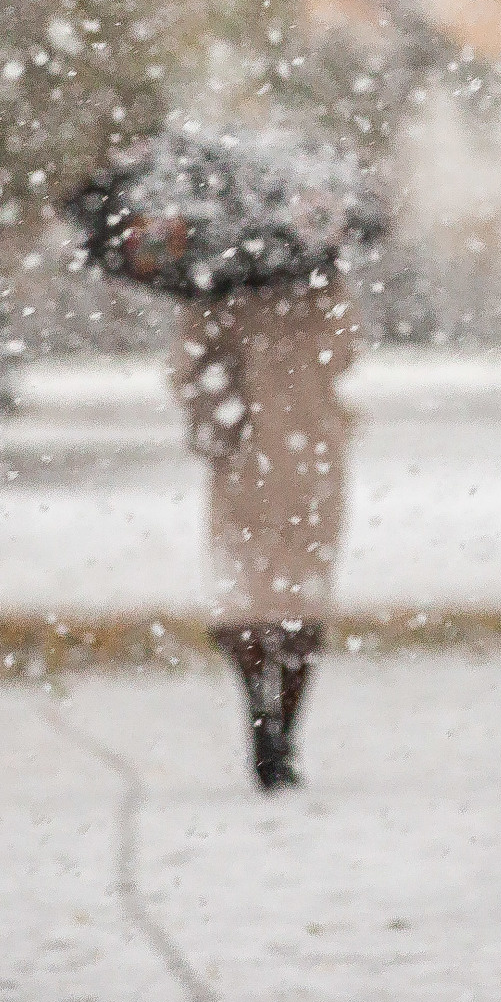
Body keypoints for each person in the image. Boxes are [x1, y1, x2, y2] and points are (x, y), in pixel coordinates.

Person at [170, 267, 360, 790]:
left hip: (246, 456)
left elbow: (187, 369)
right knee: (300, 599)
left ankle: (262, 719)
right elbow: (343, 354)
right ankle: (283, 734)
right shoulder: (319, 283)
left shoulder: (212, 286)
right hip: (307, 457)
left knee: (249, 596)